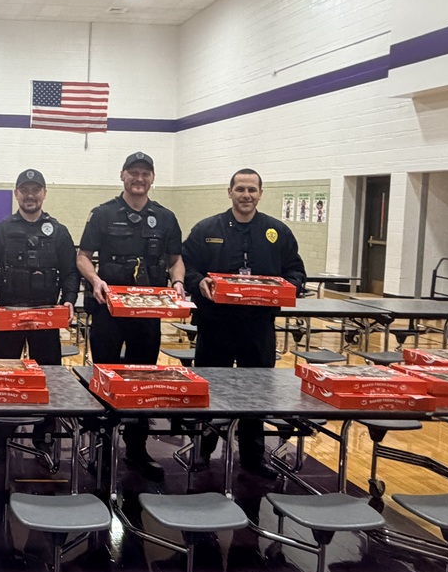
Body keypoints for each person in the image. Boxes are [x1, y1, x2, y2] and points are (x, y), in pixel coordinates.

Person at [182, 168, 307, 479]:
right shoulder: (206, 229)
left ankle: (252, 455)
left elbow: (296, 271)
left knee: (258, 392)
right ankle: (203, 449)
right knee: (211, 388)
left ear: (260, 194)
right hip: (216, 325)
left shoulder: (277, 232)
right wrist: (200, 283)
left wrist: (287, 287)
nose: (246, 195)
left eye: (252, 189)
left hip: (258, 327)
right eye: (240, 189)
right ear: (230, 192)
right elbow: (187, 267)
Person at [76, 151, 185, 482]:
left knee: (143, 382)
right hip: (108, 311)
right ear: (122, 175)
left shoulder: (165, 218)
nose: (139, 179)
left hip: (147, 314)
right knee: (105, 379)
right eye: (133, 172)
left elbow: (175, 260)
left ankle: (137, 450)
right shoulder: (103, 214)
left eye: (145, 173)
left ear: (153, 179)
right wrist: (95, 280)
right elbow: (82, 257)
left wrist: (178, 282)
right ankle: (101, 448)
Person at [0, 169, 80, 464]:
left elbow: (70, 272)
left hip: (46, 314)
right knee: (2, 377)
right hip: (9, 312)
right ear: (16, 193)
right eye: (25, 190)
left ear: (44, 193)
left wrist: (70, 301)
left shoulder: (58, 231)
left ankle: (43, 437)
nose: (30, 195)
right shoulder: (1, 230)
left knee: (47, 377)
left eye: (36, 189)